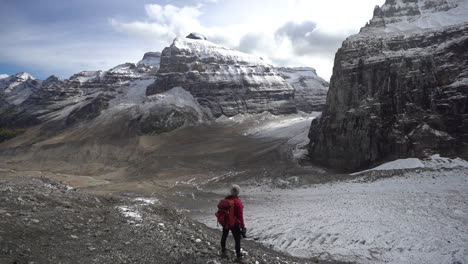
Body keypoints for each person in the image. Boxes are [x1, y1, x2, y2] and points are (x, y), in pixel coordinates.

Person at [220, 184, 246, 262]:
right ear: (238, 192)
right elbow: (240, 217)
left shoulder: (226, 199)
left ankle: (223, 251)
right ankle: (238, 257)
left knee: (224, 236)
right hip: (234, 224)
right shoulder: (238, 203)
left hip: (226, 222)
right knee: (237, 240)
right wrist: (243, 227)